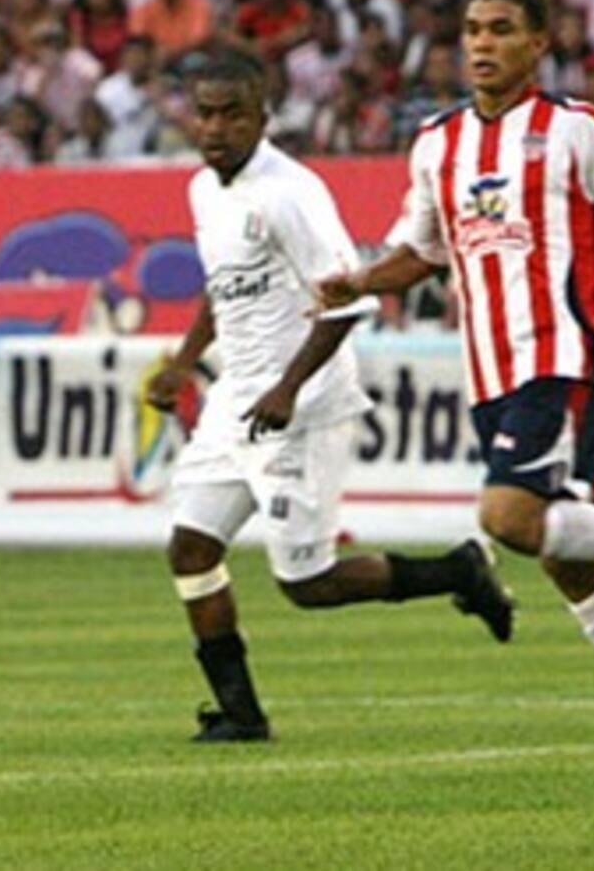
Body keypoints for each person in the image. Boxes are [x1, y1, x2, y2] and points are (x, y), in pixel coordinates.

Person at [147, 56, 514, 743]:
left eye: (232, 114)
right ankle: (241, 713)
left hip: (304, 408)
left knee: (306, 584)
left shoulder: (291, 193)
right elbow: (221, 286)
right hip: (237, 404)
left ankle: (458, 570)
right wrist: (184, 361)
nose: (215, 127)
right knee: (191, 548)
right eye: (205, 113)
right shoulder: (204, 189)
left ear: (263, 118)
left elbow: (349, 302)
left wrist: (289, 387)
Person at [317, 0, 594, 695]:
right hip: (489, 372)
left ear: (537, 42)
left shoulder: (575, 126)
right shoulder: (438, 143)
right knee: (564, 555)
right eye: (472, 30)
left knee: (505, 515)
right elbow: (423, 253)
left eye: (500, 29)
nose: (482, 44)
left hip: (560, 354)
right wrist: (362, 281)